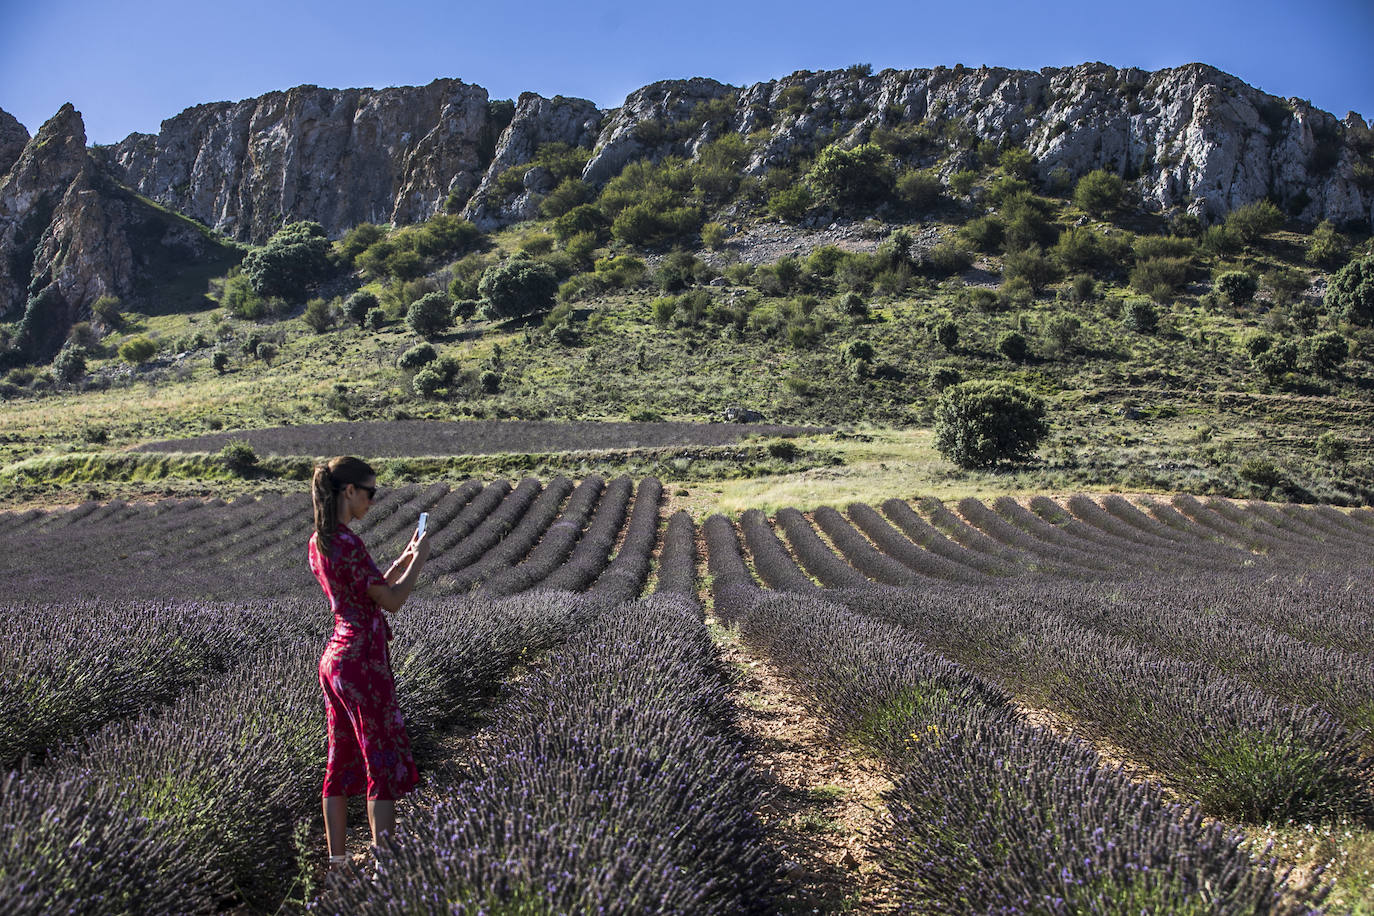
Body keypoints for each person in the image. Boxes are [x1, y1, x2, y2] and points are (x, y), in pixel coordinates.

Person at [308, 456, 430, 870]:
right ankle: (385, 869)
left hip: (335, 660)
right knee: (379, 760)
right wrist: (421, 560)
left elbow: (369, 588)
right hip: (363, 661)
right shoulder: (348, 543)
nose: (372, 502)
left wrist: (402, 558)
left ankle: (339, 865)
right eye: (370, 493)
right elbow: (392, 602)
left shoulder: (320, 541)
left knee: (339, 759)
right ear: (349, 491)